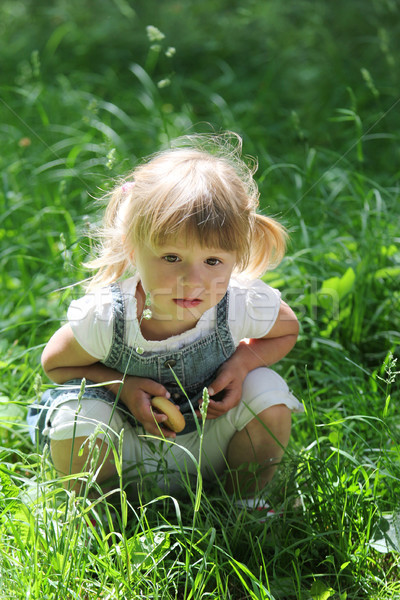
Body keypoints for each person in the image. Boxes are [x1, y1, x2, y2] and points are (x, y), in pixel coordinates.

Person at [28, 133, 303, 505]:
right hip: (125, 456)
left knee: (267, 391)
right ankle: (99, 514)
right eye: (171, 258)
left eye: (213, 262)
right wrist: (119, 384)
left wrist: (242, 364)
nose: (194, 280)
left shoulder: (240, 301)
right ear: (133, 249)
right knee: (78, 416)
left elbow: (287, 330)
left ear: (235, 257)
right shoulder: (109, 316)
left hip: (208, 449)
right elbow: (55, 365)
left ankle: (244, 504)